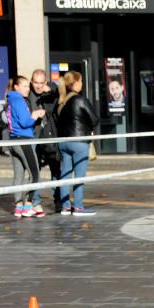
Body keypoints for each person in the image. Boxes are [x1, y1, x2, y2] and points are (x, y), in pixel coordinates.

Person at [56, 71, 100, 216]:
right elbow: (94, 119)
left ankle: (66, 206)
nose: (82, 83)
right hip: (79, 141)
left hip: (63, 142)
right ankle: (79, 207)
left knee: (65, 174)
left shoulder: (61, 101)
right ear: (75, 83)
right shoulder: (80, 100)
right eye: (80, 80)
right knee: (79, 176)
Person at [5, 75, 47, 218]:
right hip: (23, 140)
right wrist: (35, 115)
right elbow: (25, 122)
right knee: (35, 174)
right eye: (24, 86)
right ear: (16, 87)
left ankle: (18, 206)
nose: (28, 89)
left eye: (28, 86)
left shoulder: (10, 99)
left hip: (13, 140)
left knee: (19, 175)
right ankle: (28, 203)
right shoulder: (19, 100)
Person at [29, 69, 62, 213]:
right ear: (31, 82)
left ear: (46, 82)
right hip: (35, 137)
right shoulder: (28, 94)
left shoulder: (50, 94)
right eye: (36, 82)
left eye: (41, 83)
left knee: (56, 170)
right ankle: (35, 202)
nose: (38, 86)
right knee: (35, 172)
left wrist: (51, 88)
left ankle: (59, 201)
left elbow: (58, 91)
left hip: (51, 136)